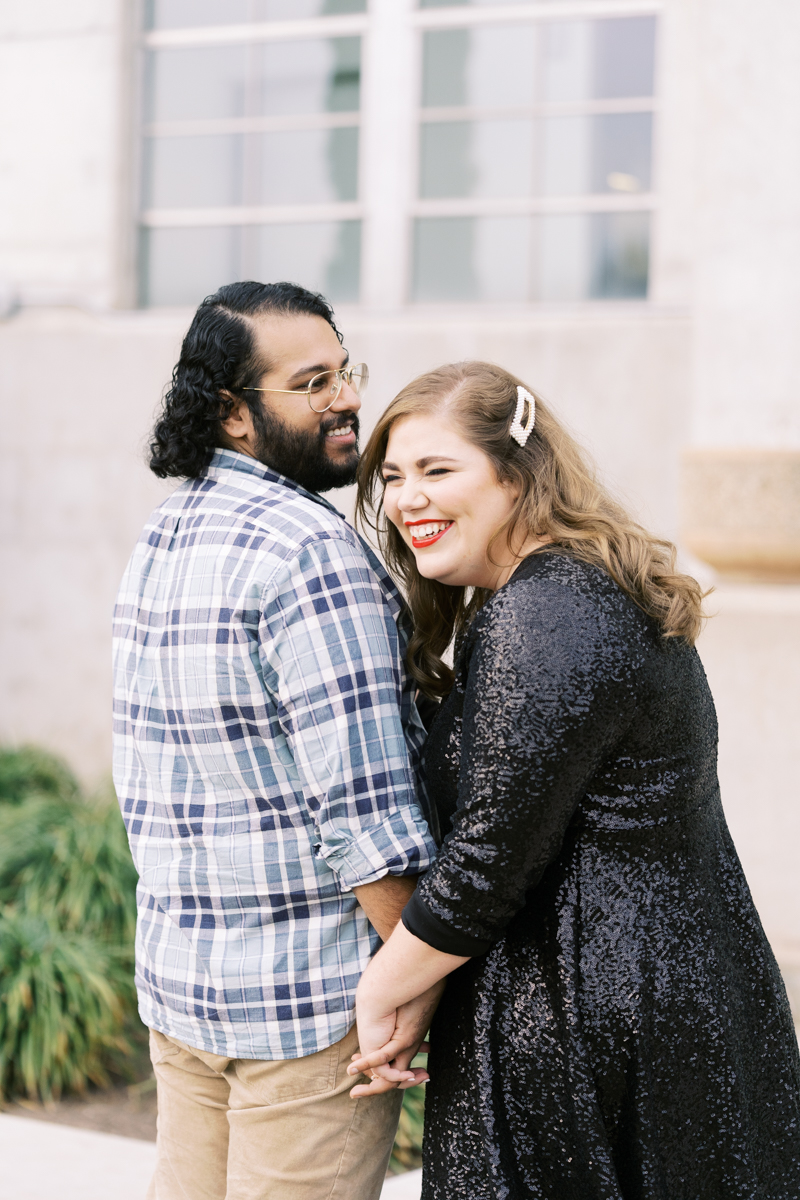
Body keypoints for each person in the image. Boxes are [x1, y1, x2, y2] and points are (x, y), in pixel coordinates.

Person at [348, 361, 800, 1199]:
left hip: (590, 1015)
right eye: (394, 477)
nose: (408, 498)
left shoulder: (547, 610)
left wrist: (383, 994)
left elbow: (489, 860)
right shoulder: (571, 590)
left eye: (438, 470)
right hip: (652, 987)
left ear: (518, 476)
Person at [112, 281, 438, 1200]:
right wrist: (413, 989)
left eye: (346, 371)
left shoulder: (165, 534)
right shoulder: (311, 552)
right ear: (233, 414)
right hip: (311, 1011)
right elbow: (366, 813)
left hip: (183, 995)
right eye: (312, 382)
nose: (346, 398)